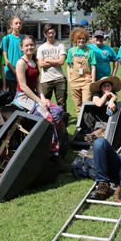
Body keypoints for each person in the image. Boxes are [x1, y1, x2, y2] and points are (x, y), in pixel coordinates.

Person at [14, 35, 67, 170]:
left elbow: (37, 82)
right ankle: (54, 153)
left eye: (31, 45)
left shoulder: (33, 61)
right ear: (21, 47)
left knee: (57, 111)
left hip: (34, 95)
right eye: (26, 45)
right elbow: (24, 86)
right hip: (23, 97)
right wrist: (39, 101)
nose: (29, 47)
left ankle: (47, 140)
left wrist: (43, 98)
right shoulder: (21, 63)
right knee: (47, 118)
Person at [37, 24, 68, 118]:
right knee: (45, 102)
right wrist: (56, 61)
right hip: (46, 80)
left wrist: (48, 60)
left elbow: (62, 61)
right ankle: (47, 121)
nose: (51, 35)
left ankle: (62, 123)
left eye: (53, 33)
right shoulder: (41, 48)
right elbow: (41, 64)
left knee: (61, 103)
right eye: (49, 33)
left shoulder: (60, 46)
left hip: (59, 78)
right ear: (44, 34)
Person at [66, 28, 96, 116]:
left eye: (83, 38)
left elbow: (93, 67)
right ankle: (80, 126)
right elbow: (68, 65)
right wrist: (69, 79)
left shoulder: (90, 51)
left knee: (86, 104)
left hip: (86, 81)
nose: (81, 40)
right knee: (78, 106)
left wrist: (93, 82)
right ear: (75, 39)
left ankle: (88, 124)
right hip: (74, 81)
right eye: (79, 39)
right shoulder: (71, 51)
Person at [0, 16, 24, 95]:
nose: (18, 25)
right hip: (10, 75)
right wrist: (15, 72)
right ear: (11, 25)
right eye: (16, 23)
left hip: (23, 73)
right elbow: (5, 59)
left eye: (20, 23)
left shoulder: (24, 38)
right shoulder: (6, 38)